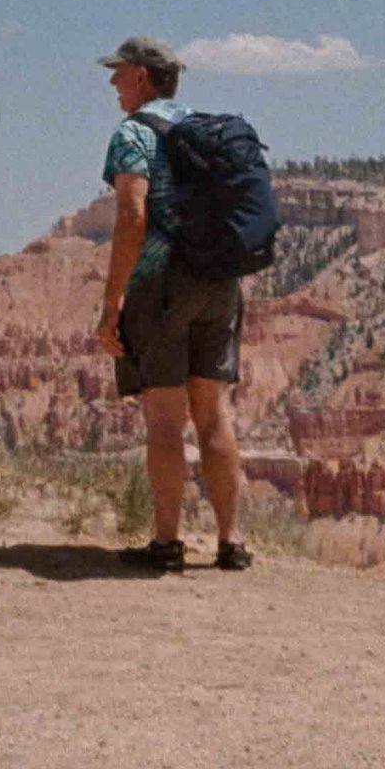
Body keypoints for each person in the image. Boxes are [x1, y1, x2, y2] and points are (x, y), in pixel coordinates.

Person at [94, 35, 250, 575]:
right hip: (220, 283)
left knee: (164, 418)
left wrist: (112, 301)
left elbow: (133, 217)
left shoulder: (134, 132)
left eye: (119, 72)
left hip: (161, 286)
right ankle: (232, 542)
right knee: (213, 413)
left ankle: (166, 543)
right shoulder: (205, 129)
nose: (113, 82)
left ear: (142, 76)